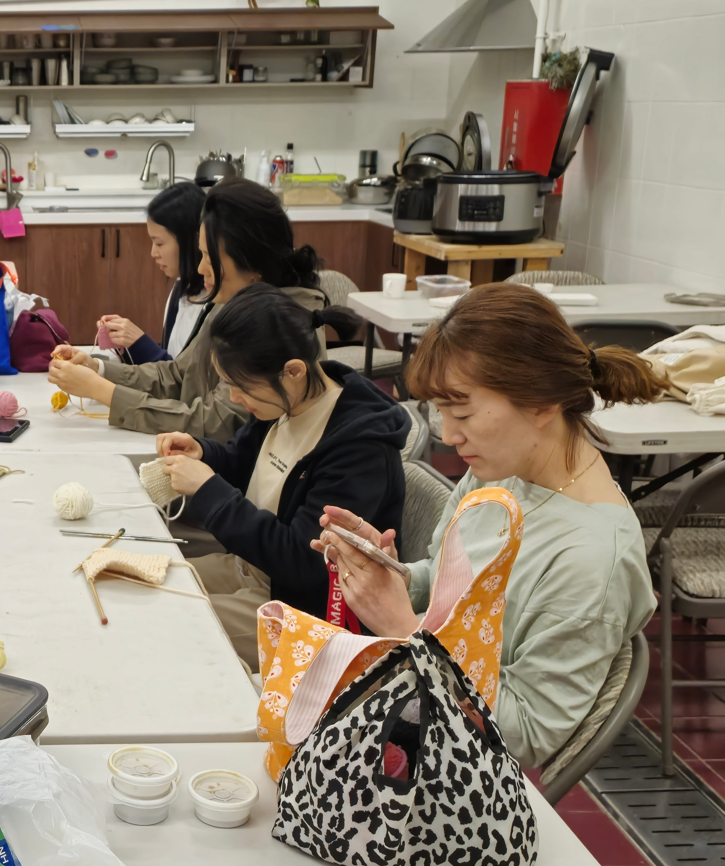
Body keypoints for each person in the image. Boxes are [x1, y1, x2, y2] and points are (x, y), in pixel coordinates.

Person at [313, 283, 665, 768]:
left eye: (462, 412)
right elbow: (447, 582)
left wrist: (404, 628)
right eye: (441, 412)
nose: (448, 434)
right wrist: (393, 575)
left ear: (542, 402)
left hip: (462, 778)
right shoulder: (500, 469)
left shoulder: (592, 560)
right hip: (413, 717)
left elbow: (526, 736)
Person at [153, 285, 408, 667]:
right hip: (254, 570)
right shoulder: (285, 401)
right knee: (146, 587)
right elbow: (246, 462)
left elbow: (302, 562)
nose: (234, 397)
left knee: (166, 622)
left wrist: (207, 489)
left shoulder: (359, 449)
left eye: (240, 386)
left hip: (304, 609)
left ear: (293, 371)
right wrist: (204, 453)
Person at [47, 177, 330, 441]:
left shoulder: (276, 325)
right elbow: (179, 375)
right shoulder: (235, 297)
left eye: (209, 256)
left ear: (251, 260)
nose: (200, 267)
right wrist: (97, 369)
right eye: (201, 253)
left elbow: (216, 422)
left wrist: (104, 391)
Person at [93, 182, 207, 365]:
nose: (153, 253)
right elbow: (169, 361)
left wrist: (139, 342)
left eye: (159, 243)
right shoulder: (180, 289)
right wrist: (127, 343)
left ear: (190, 241)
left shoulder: (213, 306)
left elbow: (182, 377)